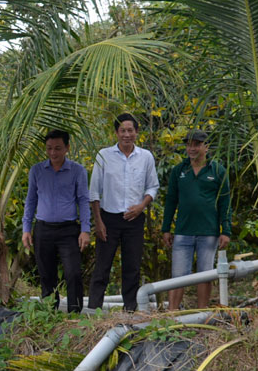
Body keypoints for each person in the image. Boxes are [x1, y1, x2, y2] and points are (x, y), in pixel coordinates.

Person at [88, 113, 159, 311]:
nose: (126, 134)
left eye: (130, 130)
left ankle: (130, 311)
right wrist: (98, 222)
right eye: (122, 131)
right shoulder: (104, 155)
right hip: (108, 219)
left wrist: (141, 206)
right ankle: (93, 311)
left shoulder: (145, 157)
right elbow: (94, 192)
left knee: (132, 267)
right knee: (102, 267)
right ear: (116, 133)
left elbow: (152, 187)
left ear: (136, 132)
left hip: (135, 220)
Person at [161, 129, 232, 310]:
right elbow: (170, 200)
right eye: (188, 144)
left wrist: (226, 231)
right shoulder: (179, 170)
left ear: (206, 147)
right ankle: (171, 315)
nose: (191, 148)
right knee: (178, 275)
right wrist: (166, 228)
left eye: (196, 144)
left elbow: (225, 202)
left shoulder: (217, 170)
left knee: (205, 274)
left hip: (209, 231)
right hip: (183, 230)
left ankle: (201, 313)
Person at [22, 129, 91, 312]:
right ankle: (49, 312)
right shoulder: (37, 170)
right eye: (49, 148)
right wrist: (26, 229)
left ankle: (75, 314)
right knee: (46, 275)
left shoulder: (77, 171)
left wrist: (85, 230)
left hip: (68, 230)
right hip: (43, 229)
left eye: (58, 148)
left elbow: (83, 200)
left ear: (67, 148)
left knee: (73, 273)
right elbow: (30, 200)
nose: (53, 153)